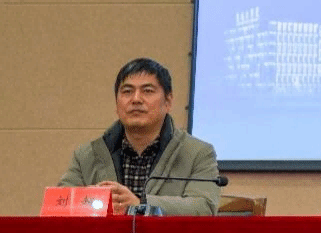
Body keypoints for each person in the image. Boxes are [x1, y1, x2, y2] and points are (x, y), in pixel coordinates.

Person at [58, 58, 221, 215]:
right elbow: (58, 206)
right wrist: (87, 200)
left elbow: (204, 207)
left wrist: (142, 205)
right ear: (116, 103)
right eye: (127, 91)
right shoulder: (87, 155)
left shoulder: (198, 153)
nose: (136, 99)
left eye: (147, 91)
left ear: (168, 102)